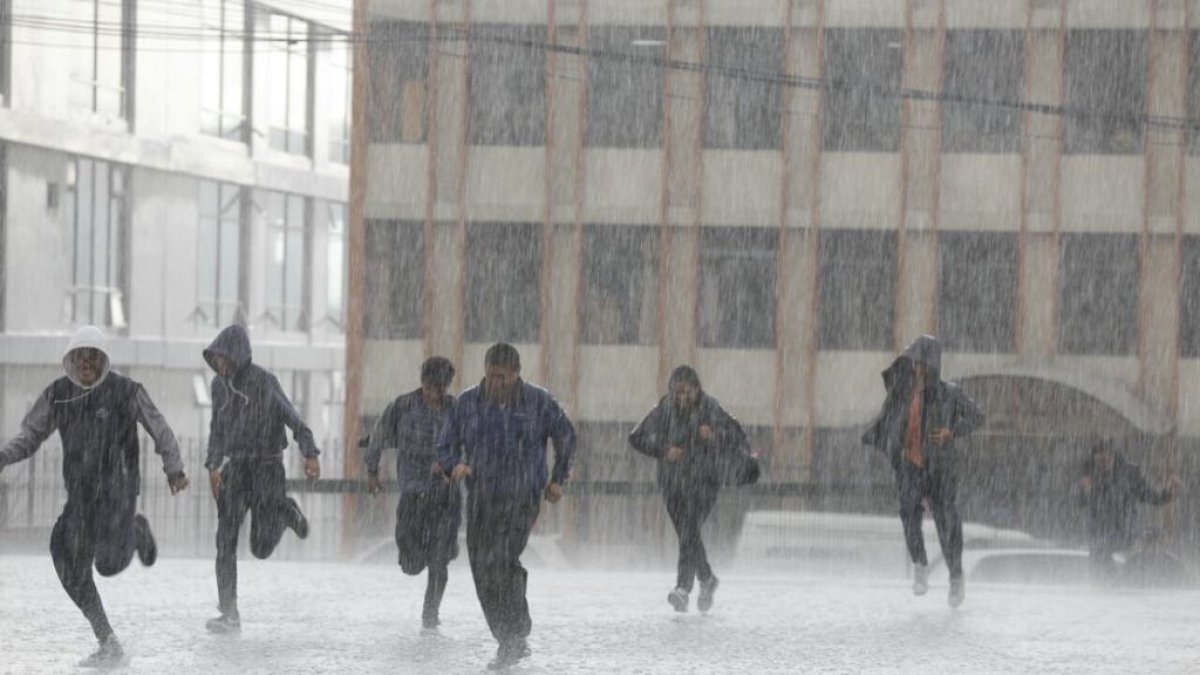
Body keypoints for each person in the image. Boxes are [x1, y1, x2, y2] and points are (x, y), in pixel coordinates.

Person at [0, 326, 189, 667]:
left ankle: (136, 530)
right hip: (81, 498)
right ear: (71, 361)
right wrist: (3, 456)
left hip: (118, 493)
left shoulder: (125, 391)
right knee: (64, 553)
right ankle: (108, 642)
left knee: (107, 564)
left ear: (103, 361)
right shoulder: (59, 394)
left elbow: (159, 427)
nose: (86, 364)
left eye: (93, 358)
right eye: (80, 358)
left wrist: (173, 466)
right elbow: (30, 435)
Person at [436, 343, 576, 670]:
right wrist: (454, 464)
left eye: (503, 377)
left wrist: (558, 478)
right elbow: (445, 444)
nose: (496, 383)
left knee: (501, 557)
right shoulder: (468, 403)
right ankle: (508, 635)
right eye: (492, 376)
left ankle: (514, 637)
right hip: (482, 494)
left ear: (516, 374)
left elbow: (567, 438)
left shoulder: (539, 402)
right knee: (482, 566)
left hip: (523, 496)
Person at [202, 324, 320, 634]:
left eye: (223, 357)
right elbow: (217, 429)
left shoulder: (264, 382)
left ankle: (284, 511)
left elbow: (294, 419)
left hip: (268, 467)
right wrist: (213, 466)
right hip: (236, 470)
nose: (219, 364)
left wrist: (309, 452)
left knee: (260, 547)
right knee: (225, 540)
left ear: (237, 355)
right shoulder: (218, 387)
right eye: (215, 358)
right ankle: (229, 613)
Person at [861, 335, 984, 608]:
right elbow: (887, 420)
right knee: (907, 512)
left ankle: (955, 575)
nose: (916, 368)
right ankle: (920, 564)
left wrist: (952, 431)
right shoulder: (901, 393)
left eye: (921, 363)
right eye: (913, 362)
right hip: (909, 465)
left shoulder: (949, 393)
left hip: (939, 467)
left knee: (946, 521)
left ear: (931, 366)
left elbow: (978, 417)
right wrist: (881, 439)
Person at [628, 365, 759, 615]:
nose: (682, 398)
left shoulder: (711, 408)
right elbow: (636, 437)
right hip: (672, 484)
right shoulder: (664, 409)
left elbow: (739, 437)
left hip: (704, 482)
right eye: (677, 392)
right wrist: (664, 451)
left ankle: (683, 588)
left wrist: (714, 435)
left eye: (686, 392)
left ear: (697, 390)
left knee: (688, 530)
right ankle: (707, 578)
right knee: (688, 535)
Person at [365, 356, 461, 632]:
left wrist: (452, 465)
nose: (434, 395)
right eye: (430, 388)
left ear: (446, 387)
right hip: (412, 495)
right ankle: (417, 556)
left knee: (439, 561)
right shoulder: (403, 406)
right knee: (410, 563)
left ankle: (430, 614)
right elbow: (378, 436)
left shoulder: (457, 410)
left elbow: (472, 444)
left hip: (445, 496)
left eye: (439, 389)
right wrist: (372, 471)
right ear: (423, 383)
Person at [1077, 441, 1179, 580]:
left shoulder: (1128, 474)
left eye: (1107, 459)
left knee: (1099, 551)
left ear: (1113, 457)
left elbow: (1149, 496)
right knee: (1097, 554)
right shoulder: (1089, 475)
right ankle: (1106, 583)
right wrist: (1084, 491)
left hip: (1126, 529)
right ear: (1095, 460)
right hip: (1101, 531)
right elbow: (1079, 503)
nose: (1104, 463)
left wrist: (1167, 493)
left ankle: (1111, 582)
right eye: (1100, 460)